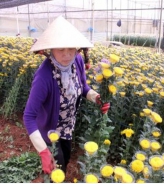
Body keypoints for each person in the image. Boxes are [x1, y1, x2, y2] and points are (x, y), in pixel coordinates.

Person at [23, 16, 110, 175]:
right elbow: (28, 116)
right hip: (50, 133)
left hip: (68, 128)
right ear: (51, 49)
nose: (67, 55)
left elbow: (83, 87)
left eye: (71, 49)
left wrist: (96, 98)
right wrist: (43, 152)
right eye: (61, 49)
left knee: (66, 159)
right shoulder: (44, 77)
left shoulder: (77, 61)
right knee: (57, 169)